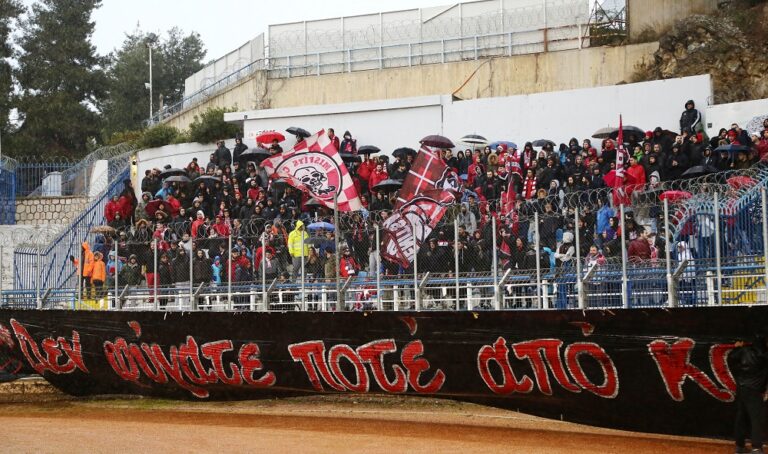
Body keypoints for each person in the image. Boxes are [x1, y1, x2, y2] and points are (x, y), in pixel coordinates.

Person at [729, 334, 768, 454]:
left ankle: (740, 447)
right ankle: (756, 448)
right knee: (756, 419)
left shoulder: (743, 351)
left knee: (741, 417)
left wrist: (737, 348)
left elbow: (731, 360)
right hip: (754, 390)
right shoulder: (765, 355)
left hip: (742, 387)